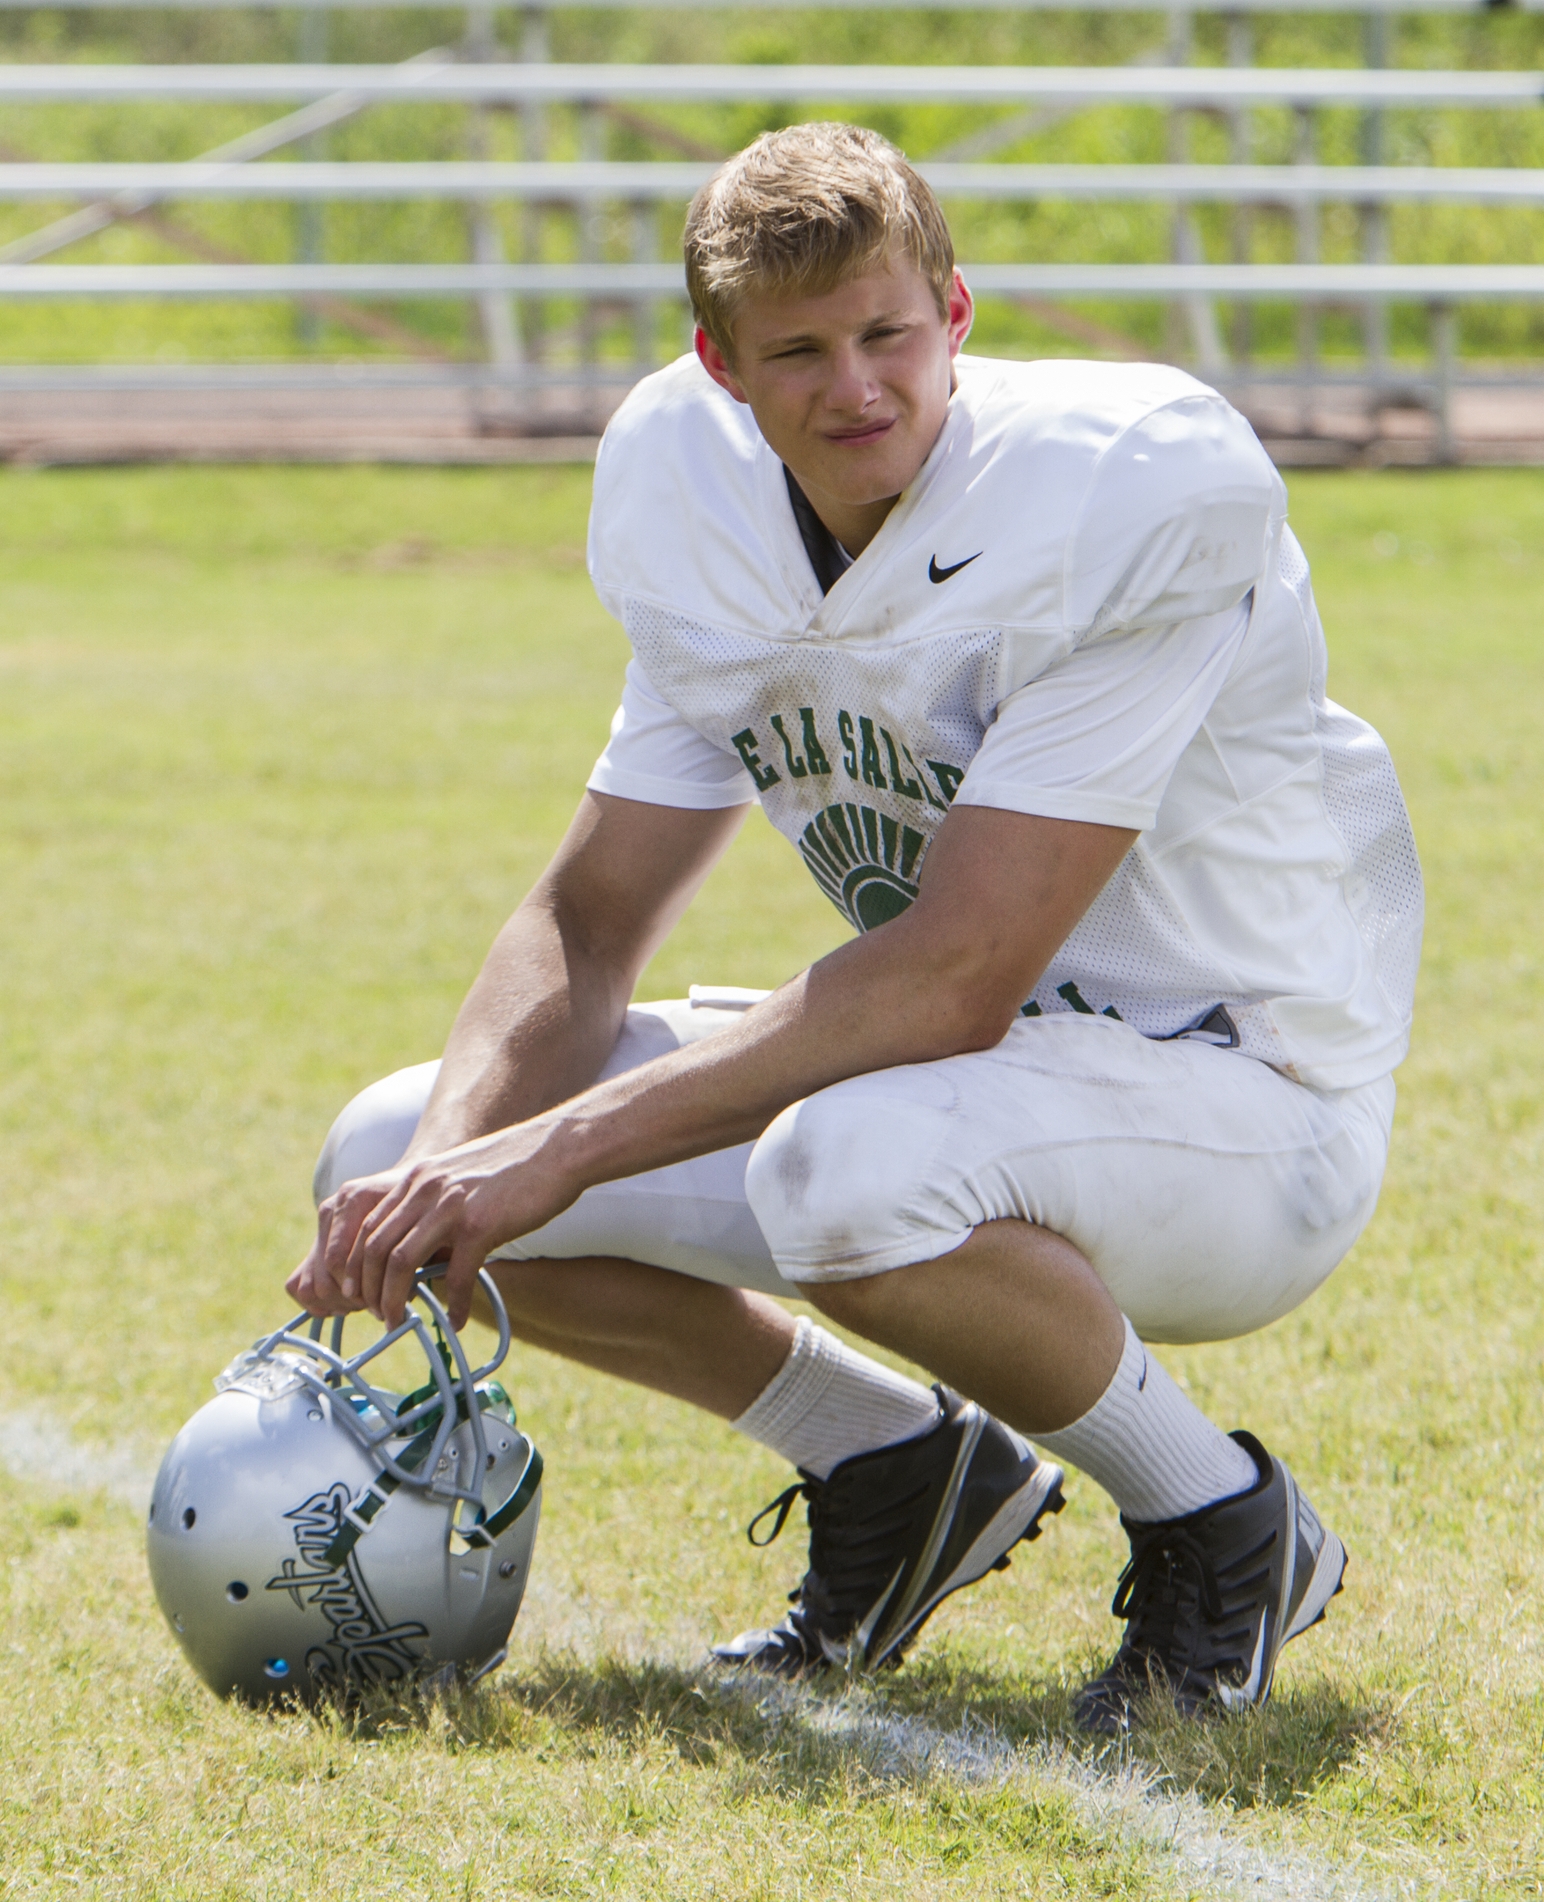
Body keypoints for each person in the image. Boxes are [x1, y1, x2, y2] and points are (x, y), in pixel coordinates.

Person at [288, 123, 1422, 1731]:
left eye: (889, 332)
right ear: (721, 367)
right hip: (964, 1076)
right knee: (382, 1147)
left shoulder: (1130, 490)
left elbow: (956, 973)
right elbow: (590, 910)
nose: (857, 386)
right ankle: (893, 1465)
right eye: (801, 351)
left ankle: (1222, 1515)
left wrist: (557, 1151)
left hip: (1243, 1094)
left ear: (957, 310)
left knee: (843, 1168)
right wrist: (457, 1164)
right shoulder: (692, 496)